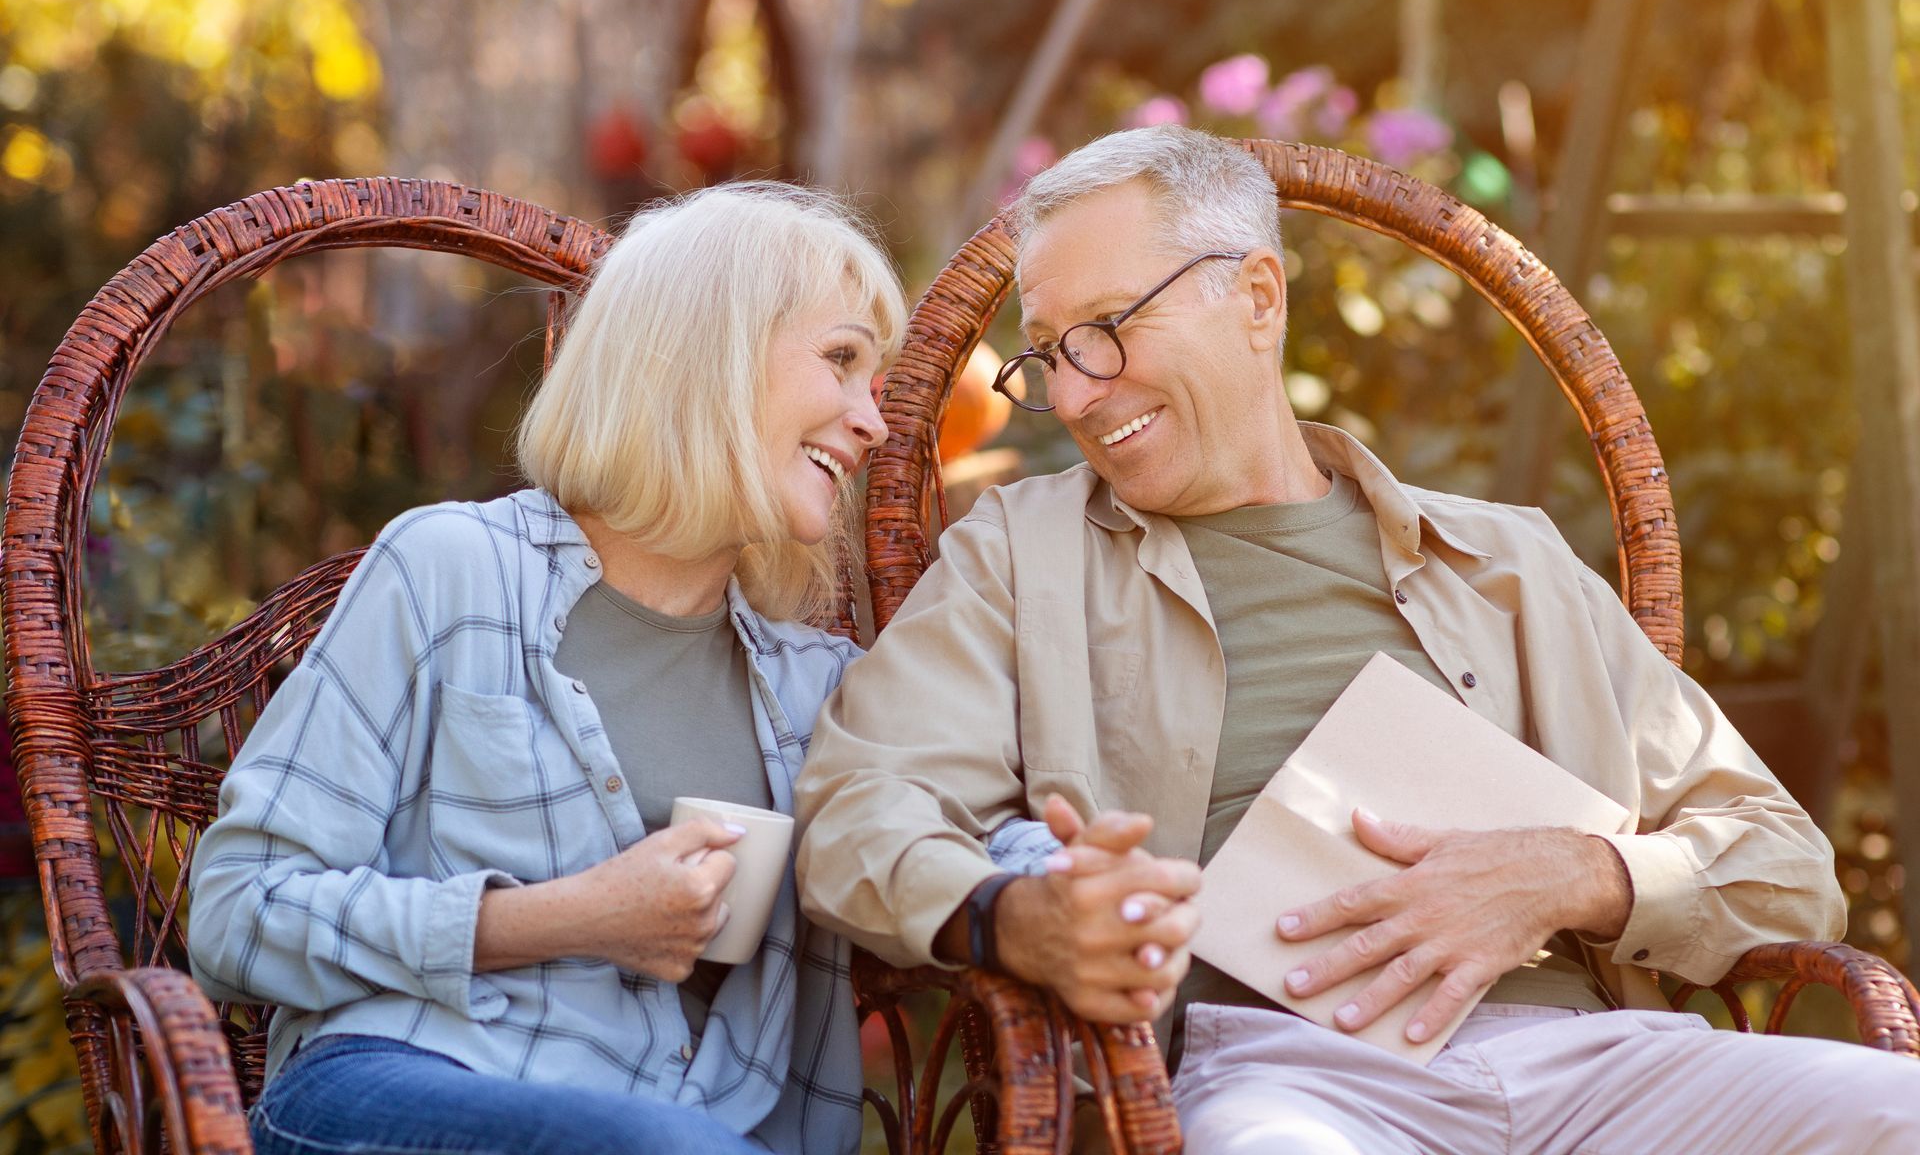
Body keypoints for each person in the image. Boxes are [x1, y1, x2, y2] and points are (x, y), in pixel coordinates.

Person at [794, 126, 1920, 1153]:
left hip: (1599, 1066)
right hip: (1292, 1085)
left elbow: (1783, 865)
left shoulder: (1505, 561)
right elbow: (856, 805)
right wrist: (1016, 915)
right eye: (1048, 356)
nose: (1082, 395)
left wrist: (1576, 872)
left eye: (1107, 332)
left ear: (1258, 295)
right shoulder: (1019, 555)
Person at [188, 181, 904, 1155]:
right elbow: (238, 911)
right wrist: (566, 917)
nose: (876, 422)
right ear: (712, 351)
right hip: (397, 1085)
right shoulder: (451, 569)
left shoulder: (816, 687)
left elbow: (955, 830)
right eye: (842, 360)